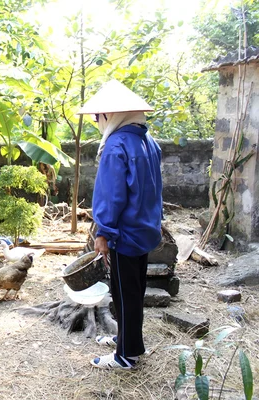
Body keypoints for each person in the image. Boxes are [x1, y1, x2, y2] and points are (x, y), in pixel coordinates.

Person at [77, 80, 163, 370]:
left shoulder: (116, 146)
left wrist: (104, 232)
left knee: (125, 293)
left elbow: (112, 195)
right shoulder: (148, 142)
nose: (96, 121)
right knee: (133, 290)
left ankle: (126, 355)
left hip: (125, 232)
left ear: (111, 115)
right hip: (145, 229)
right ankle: (126, 338)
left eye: (98, 116)